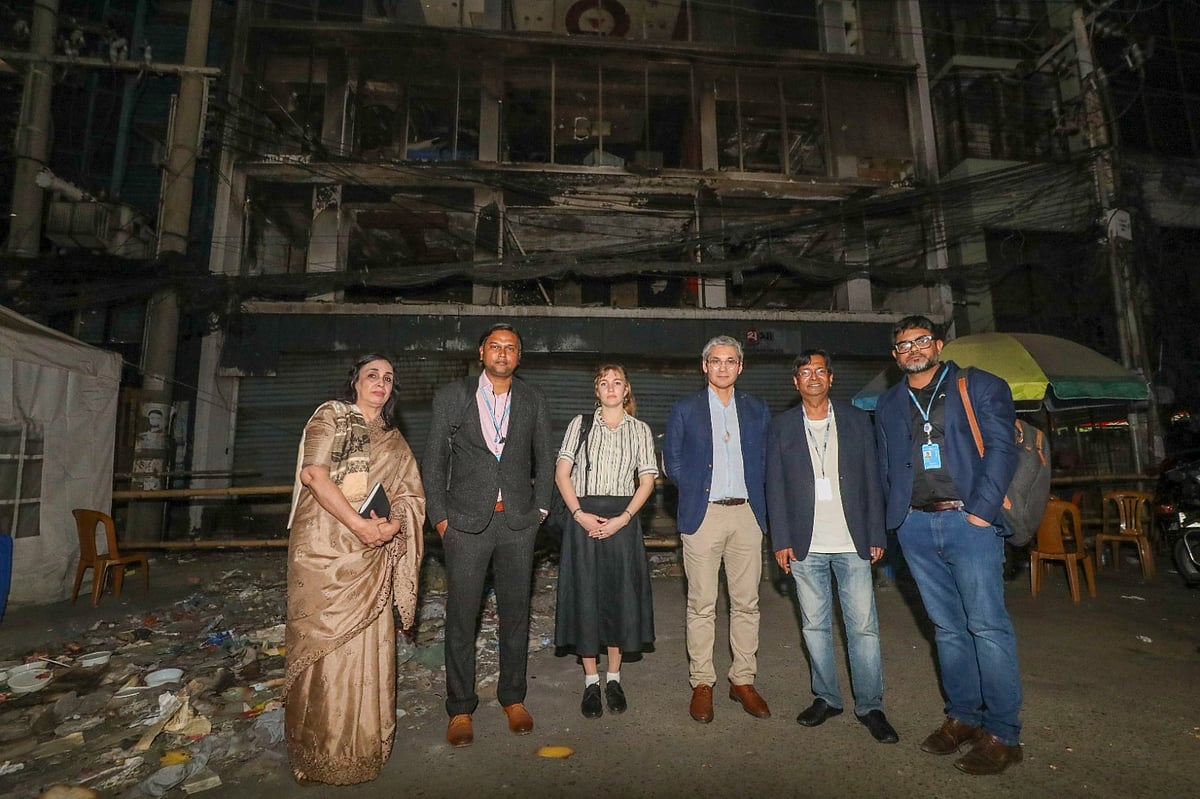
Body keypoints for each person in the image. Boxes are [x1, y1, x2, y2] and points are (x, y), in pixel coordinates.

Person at [875, 315, 1023, 775]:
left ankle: (1002, 732)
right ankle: (963, 717)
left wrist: (980, 512)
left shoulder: (977, 385)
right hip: (916, 526)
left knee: (987, 626)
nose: (913, 349)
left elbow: (1003, 447)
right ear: (896, 355)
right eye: (903, 345)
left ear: (937, 345)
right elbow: (887, 464)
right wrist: (895, 522)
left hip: (967, 520)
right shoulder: (889, 403)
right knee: (947, 629)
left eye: (921, 341)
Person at [284, 353, 426, 786]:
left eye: (387, 378)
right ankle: (317, 751)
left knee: (367, 650)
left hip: (371, 557)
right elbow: (314, 474)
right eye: (371, 376)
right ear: (356, 383)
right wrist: (360, 525)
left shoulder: (395, 441)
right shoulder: (332, 417)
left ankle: (361, 749)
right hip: (325, 549)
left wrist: (393, 525)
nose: (380, 383)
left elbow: (410, 497)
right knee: (323, 652)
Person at [421, 323, 554, 748]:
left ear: (519, 357)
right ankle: (460, 708)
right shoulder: (452, 396)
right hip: (464, 525)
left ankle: (513, 698)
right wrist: (441, 519)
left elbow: (546, 460)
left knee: (516, 615)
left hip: (516, 523)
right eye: (494, 347)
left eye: (510, 348)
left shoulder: (533, 399)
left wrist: (541, 510)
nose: (502, 353)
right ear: (481, 353)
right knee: (462, 618)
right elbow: (433, 462)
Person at [765, 349, 898, 744]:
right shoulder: (782, 426)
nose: (813, 377)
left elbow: (875, 479)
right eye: (805, 372)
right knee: (814, 626)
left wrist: (877, 532)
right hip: (806, 545)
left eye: (820, 371)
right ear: (796, 382)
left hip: (853, 541)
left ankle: (871, 705)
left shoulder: (857, 421)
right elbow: (774, 486)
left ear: (831, 378)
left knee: (864, 628)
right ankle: (827, 697)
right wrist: (782, 540)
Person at [664, 334, 772, 724]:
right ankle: (702, 682)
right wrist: (695, 490)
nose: (723, 367)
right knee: (702, 604)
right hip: (703, 516)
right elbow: (671, 460)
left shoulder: (758, 409)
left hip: (747, 515)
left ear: (740, 367)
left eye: (731, 361)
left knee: (747, 603)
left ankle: (742, 680)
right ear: (704, 366)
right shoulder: (686, 408)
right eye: (716, 361)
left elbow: (767, 460)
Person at [554, 364, 658, 719]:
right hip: (584, 519)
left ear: (626, 390)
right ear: (596, 391)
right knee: (586, 597)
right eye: (604, 383)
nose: (611, 388)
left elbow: (646, 480)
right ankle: (591, 682)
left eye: (617, 383)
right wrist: (579, 514)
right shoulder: (579, 425)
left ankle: (614, 678)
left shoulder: (640, 430)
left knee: (619, 599)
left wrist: (624, 519)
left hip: (622, 520)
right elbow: (561, 473)